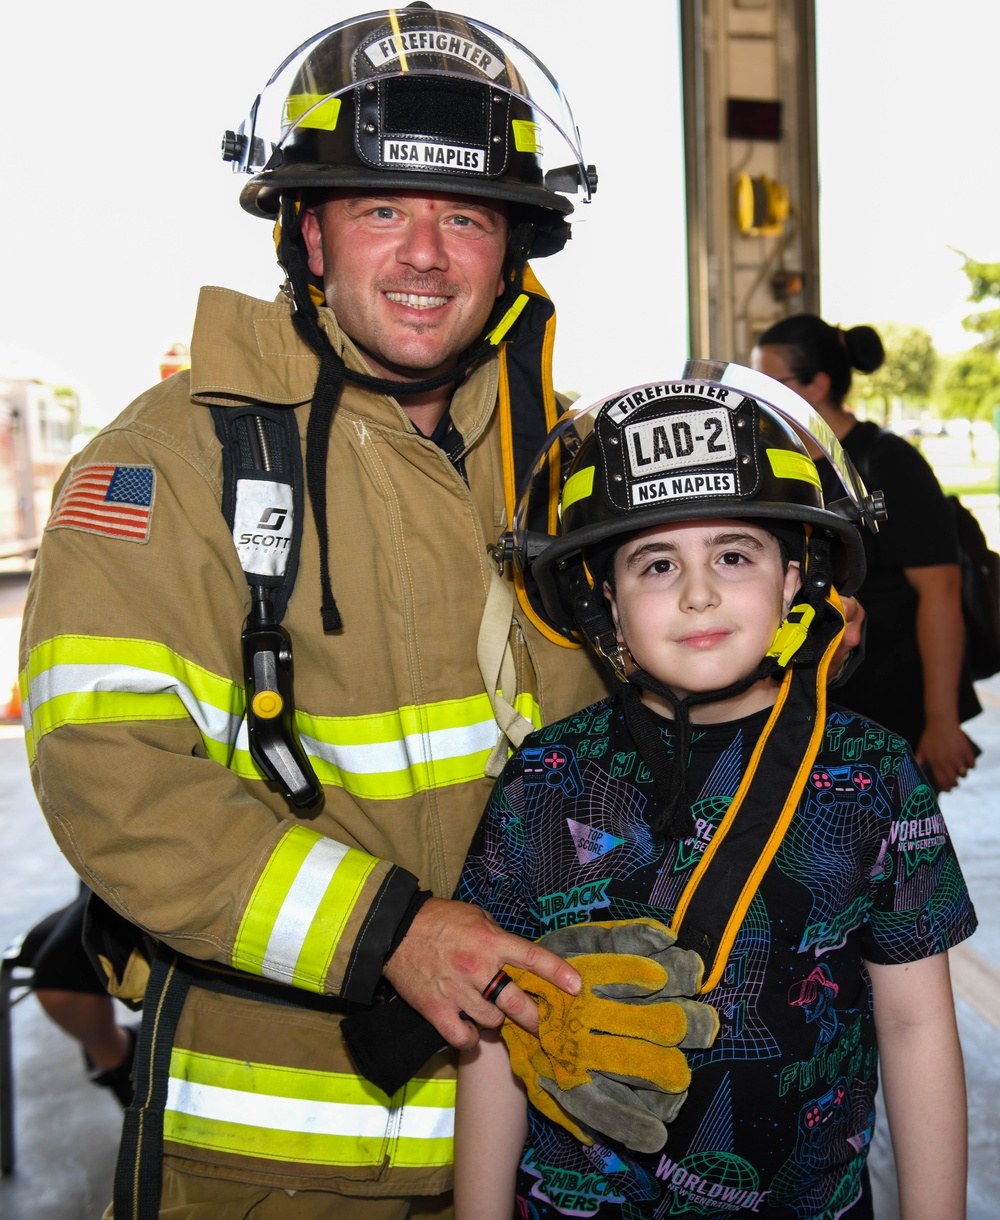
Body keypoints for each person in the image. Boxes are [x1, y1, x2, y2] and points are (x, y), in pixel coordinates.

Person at [18, 7, 618, 1215]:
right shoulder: (166, 468)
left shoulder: (571, 470)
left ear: (513, 250)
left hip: (553, 1130)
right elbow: (109, 777)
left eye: (466, 215)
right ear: (307, 231)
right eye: (380, 209)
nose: (425, 255)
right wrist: (387, 927)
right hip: (278, 1155)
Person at [454, 372, 975, 1219]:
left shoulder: (877, 775)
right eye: (657, 563)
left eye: (733, 555)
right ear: (607, 608)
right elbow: (490, 1031)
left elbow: (917, 1028)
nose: (698, 591)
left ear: (795, 582)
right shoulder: (544, 779)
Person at [752, 315, 980, 793]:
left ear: (816, 386)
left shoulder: (888, 463)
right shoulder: (773, 468)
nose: (757, 397)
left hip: (890, 708)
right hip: (805, 714)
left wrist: (940, 721)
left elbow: (942, 592)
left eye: (772, 382)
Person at [23, 884, 136, 1106]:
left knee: (59, 980)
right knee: (55, 969)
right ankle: (122, 1062)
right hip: (107, 878)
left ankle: (122, 1065)